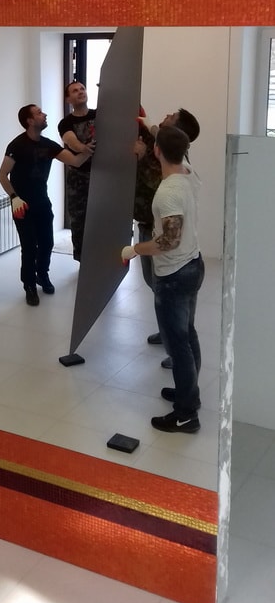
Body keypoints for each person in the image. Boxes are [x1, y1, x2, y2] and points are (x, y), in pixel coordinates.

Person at [122, 125, 204, 433]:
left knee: (178, 345)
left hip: (174, 275)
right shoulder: (189, 174)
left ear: (156, 150)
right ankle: (189, 394)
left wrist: (134, 249)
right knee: (188, 335)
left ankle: (186, 414)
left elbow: (168, 241)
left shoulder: (169, 192)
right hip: (193, 265)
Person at [0, 104, 92, 305]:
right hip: (22, 206)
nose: (45, 114)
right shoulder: (16, 146)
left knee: (47, 243)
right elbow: (2, 175)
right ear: (30, 121)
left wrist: (90, 149)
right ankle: (29, 285)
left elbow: (75, 161)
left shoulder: (48, 145)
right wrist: (14, 197)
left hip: (42, 202)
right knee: (29, 247)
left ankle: (42, 274)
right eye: (39, 113)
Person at [133, 107, 200, 360]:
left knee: (169, 293)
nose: (166, 116)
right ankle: (168, 329)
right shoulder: (166, 145)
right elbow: (155, 129)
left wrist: (141, 158)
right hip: (147, 224)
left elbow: (158, 189)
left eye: (171, 117)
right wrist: (145, 121)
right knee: (153, 283)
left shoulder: (174, 167)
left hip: (160, 236)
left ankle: (175, 342)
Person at [57, 81, 96, 261]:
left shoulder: (98, 115)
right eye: (75, 91)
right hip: (78, 179)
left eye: (82, 89)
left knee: (101, 218)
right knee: (79, 220)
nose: (80, 92)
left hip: (102, 175)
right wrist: (83, 148)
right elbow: (71, 141)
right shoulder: (66, 123)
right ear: (68, 99)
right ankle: (83, 260)